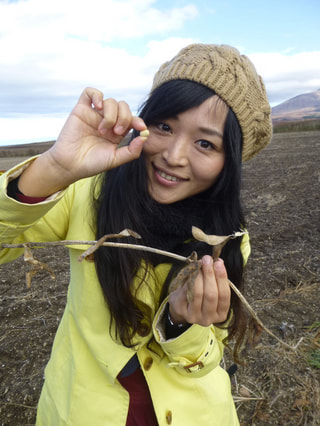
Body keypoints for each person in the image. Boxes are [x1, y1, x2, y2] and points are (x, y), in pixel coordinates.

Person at [0, 43, 272, 425]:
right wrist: (54, 168)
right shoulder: (87, 192)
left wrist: (183, 324)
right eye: (165, 126)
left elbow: (210, 357)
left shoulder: (229, 239)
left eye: (205, 143)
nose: (174, 155)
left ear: (230, 162)